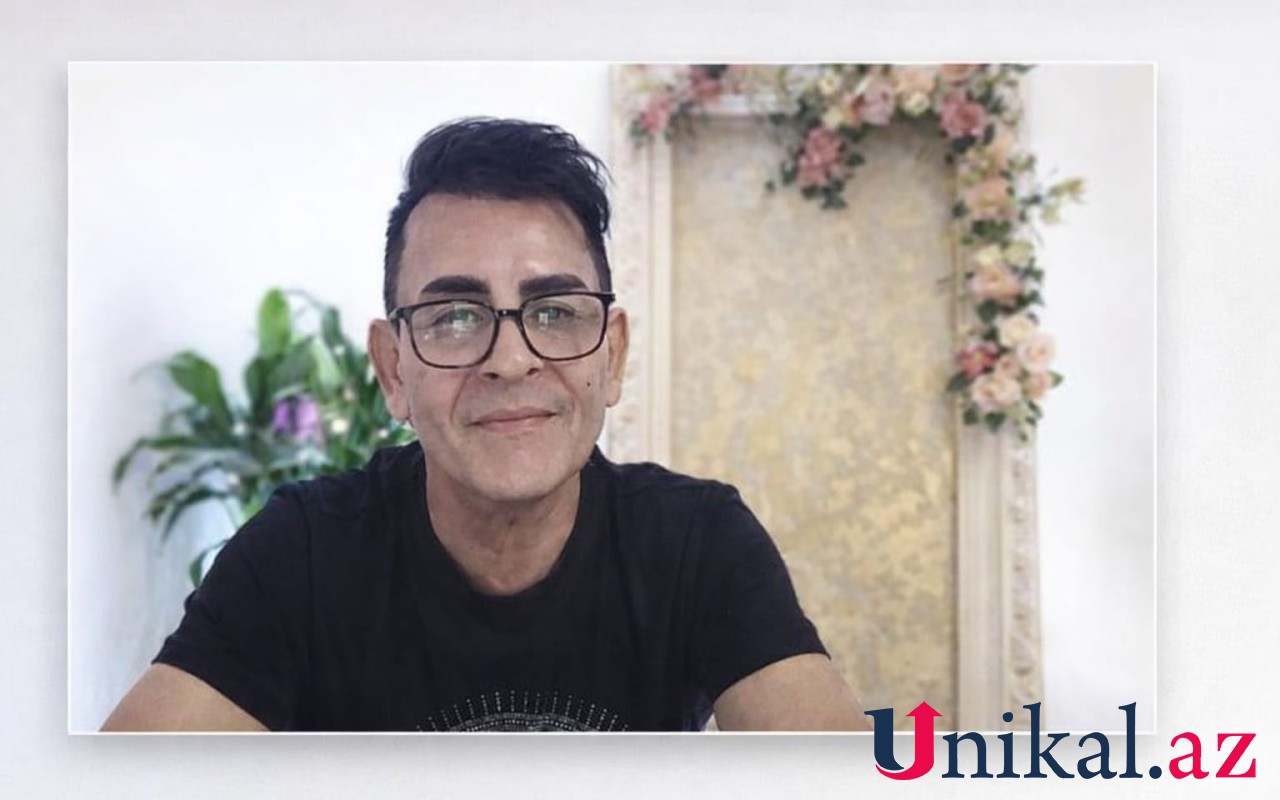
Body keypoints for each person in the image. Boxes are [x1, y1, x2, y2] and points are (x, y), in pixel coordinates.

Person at [102, 118, 866, 732]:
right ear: (393, 370)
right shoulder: (302, 550)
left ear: (613, 355)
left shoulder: (697, 542)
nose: (510, 360)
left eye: (555, 312)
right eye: (456, 316)